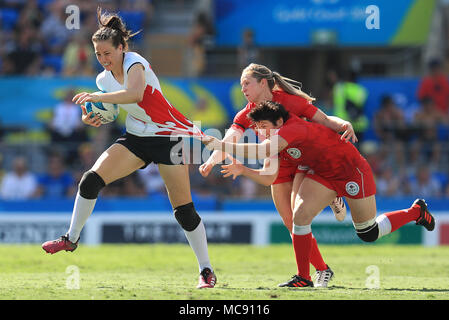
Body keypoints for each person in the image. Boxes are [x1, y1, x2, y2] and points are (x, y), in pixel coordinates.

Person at [41, 8, 217, 289]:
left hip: (167, 137)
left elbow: (134, 94)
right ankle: (70, 239)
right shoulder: (102, 80)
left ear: (122, 47)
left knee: (184, 210)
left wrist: (98, 97)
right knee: (89, 181)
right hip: (136, 138)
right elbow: (108, 112)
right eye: (98, 55)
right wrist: (93, 117)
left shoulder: (136, 63)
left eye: (107, 53)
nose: (103, 59)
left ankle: (206, 270)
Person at [201, 101, 435, 287]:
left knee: (368, 233)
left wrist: (221, 145)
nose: (261, 132)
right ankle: (304, 277)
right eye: (258, 128)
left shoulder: (291, 130)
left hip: (352, 171)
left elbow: (262, 150)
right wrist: (242, 168)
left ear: (279, 121)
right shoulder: (278, 135)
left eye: (263, 127)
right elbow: (269, 174)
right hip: (322, 174)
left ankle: (415, 212)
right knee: (299, 219)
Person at [199, 63, 355, 287]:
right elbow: (229, 139)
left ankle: (331, 197)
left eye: (247, 83)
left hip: (303, 158)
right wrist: (211, 160)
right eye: (241, 84)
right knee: (292, 225)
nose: (242, 88)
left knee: (299, 213)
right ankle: (322, 270)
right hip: (276, 163)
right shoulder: (246, 113)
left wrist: (345, 124)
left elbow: (325, 120)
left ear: (263, 83)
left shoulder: (290, 101)